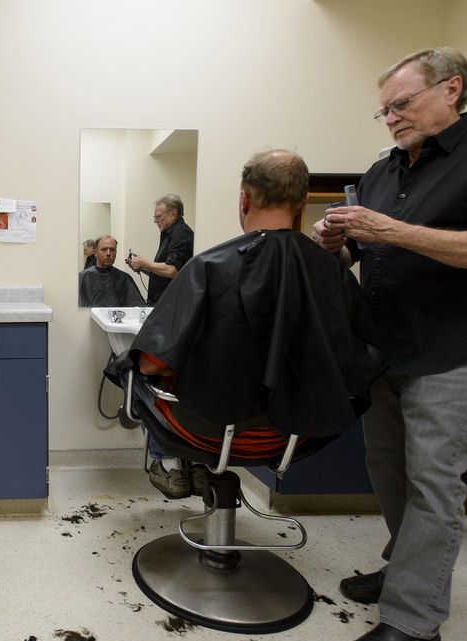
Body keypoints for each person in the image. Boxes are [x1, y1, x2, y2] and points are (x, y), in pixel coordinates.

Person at [312, 47, 467, 641]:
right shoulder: (383, 171)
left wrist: (386, 230)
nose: (390, 118)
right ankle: (402, 568)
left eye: (401, 104)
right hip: (382, 346)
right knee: (386, 465)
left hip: (445, 350)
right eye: (384, 109)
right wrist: (336, 244)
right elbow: (357, 255)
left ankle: (414, 624)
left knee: (435, 482)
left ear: (451, 89)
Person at [125, 149, 382, 499]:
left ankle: (174, 465)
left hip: (205, 429)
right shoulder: (330, 271)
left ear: (244, 199)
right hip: (297, 431)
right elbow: (360, 362)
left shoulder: (209, 267)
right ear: (303, 202)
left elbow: (153, 362)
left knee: (132, 370)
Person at [126, 193, 194, 305]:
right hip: (161, 303)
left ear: (173, 214)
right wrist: (142, 267)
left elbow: (172, 271)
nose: (155, 221)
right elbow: (164, 273)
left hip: (171, 304)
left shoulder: (181, 233)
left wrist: (144, 262)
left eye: (158, 216)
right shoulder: (168, 234)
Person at [78, 235, 145, 307]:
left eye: (112, 250)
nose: (108, 253)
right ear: (95, 252)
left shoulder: (124, 278)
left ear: (116, 253)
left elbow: (138, 308)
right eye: (104, 249)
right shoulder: (83, 277)